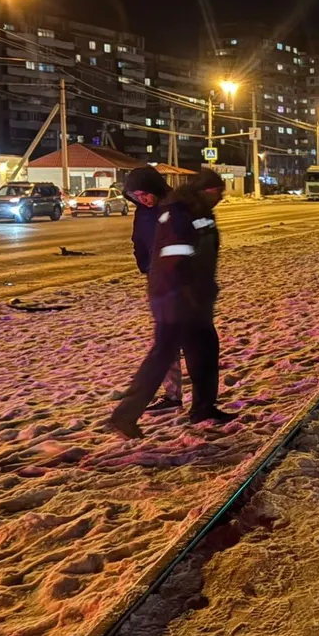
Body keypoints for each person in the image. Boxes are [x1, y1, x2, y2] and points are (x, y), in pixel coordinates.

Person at [109, 169, 235, 439]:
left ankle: (203, 409)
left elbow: (204, 254)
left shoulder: (198, 210)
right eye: (216, 192)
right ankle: (124, 416)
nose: (220, 197)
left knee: (205, 352)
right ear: (204, 191)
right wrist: (184, 293)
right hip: (175, 299)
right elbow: (174, 258)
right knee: (162, 355)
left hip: (193, 299)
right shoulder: (179, 212)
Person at [122, 166, 182, 413]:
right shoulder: (142, 212)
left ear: (155, 188)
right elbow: (138, 240)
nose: (142, 199)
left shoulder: (176, 207)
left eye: (145, 194)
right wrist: (145, 265)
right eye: (136, 196)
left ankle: (198, 398)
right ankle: (173, 395)